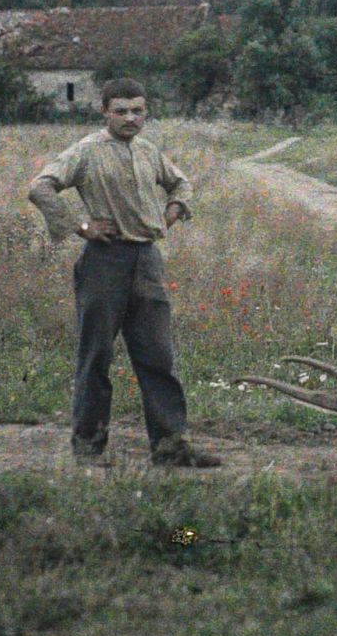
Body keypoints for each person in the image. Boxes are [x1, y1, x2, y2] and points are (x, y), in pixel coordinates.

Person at [26, 78, 221, 468]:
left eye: (138, 111)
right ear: (105, 112)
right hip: (104, 263)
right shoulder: (87, 151)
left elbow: (181, 183)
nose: (130, 118)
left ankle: (169, 447)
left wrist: (171, 213)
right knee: (95, 355)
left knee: (157, 357)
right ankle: (88, 448)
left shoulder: (149, 151)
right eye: (121, 111)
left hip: (147, 261)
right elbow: (41, 187)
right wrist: (82, 228)